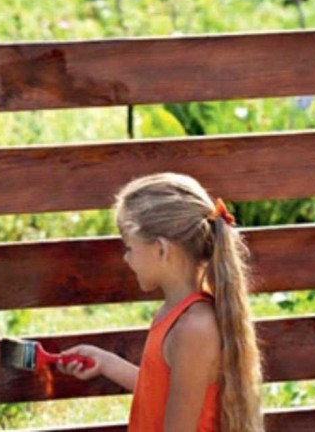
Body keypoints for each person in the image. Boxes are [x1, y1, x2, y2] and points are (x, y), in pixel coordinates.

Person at [57, 173, 263, 432]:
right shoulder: (175, 315)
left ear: (161, 250)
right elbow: (159, 390)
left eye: (129, 247)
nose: (126, 258)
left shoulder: (194, 329)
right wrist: (105, 362)